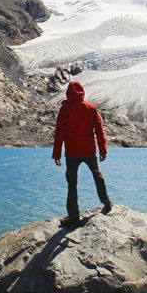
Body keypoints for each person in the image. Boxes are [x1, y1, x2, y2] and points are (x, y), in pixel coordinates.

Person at [53, 81, 112, 229]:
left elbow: (59, 132)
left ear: (68, 93)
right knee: (96, 174)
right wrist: (103, 150)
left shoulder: (65, 109)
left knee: (72, 184)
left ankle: (73, 217)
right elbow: (99, 131)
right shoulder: (91, 108)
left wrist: (57, 153)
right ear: (82, 92)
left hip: (72, 152)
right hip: (89, 150)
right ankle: (107, 203)